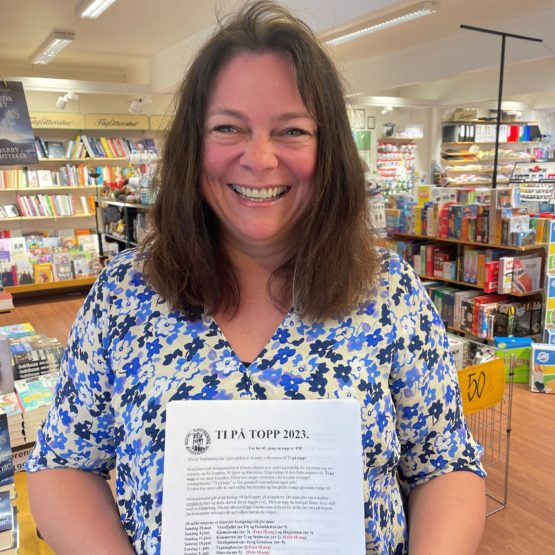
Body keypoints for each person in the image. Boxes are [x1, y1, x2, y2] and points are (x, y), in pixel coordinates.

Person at [26, 2, 486, 554]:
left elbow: (444, 464)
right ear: (193, 145)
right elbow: (63, 464)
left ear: (328, 148)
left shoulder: (388, 291)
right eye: (228, 127)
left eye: (292, 130)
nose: (260, 158)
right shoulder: (124, 294)